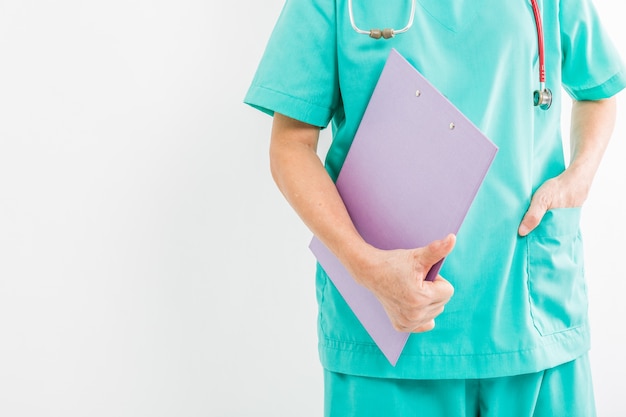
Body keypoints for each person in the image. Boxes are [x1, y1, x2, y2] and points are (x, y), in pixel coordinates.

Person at [245, 0, 625, 415]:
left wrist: (580, 177)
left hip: (531, 313)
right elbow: (290, 144)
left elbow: (599, 91)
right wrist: (368, 268)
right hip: (387, 336)